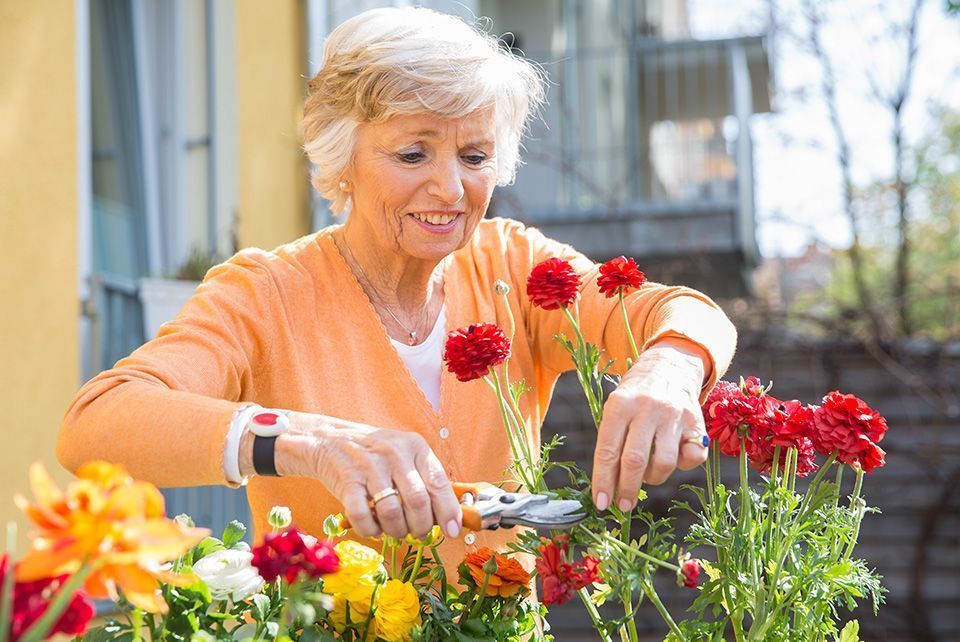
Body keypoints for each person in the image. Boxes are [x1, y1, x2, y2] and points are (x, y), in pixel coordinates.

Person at [57, 7, 736, 564]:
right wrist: (308, 441)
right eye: (413, 153)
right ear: (341, 156)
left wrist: (671, 366)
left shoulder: (515, 267)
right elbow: (95, 425)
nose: (450, 188)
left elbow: (681, 313)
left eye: (474, 155)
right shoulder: (267, 294)